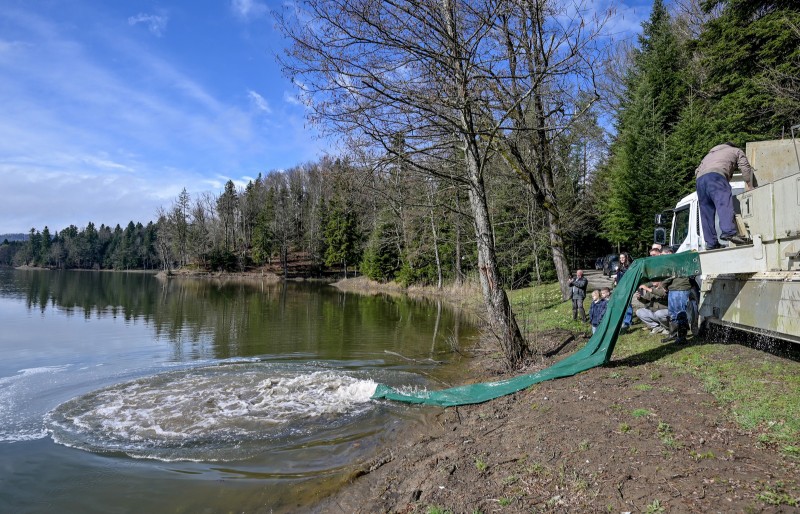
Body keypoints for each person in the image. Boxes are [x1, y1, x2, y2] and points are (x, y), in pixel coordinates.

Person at [695, 142, 755, 249]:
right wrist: (750, 185)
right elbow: (745, 167)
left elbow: (697, 171)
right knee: (723, 203)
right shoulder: (736, 151)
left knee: (706, 212)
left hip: (700, 181)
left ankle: (711, 243)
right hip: (716, 176)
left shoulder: (708, 155)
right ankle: (728, 232)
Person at [613, 253, 634, 331]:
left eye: (623, 257)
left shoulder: (629, 266)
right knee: (621, 303)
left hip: (627, 287)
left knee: (628, 303)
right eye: (620, 258)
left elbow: (628, 275)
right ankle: (624, 320)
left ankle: (628, 321)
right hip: (620, 287)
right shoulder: (620, 266)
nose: (621, 259)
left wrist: (619, 270)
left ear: (626, 258)